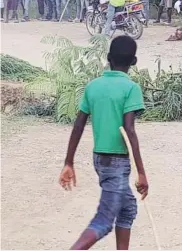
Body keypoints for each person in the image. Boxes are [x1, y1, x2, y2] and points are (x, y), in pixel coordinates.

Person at [58, 35, 148, 250]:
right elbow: (129, 130)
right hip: (117, 162)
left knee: (127, 210)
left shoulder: (93, 86)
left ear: (108, 58)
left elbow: (78, 126)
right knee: (104, 221)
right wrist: (142, 173)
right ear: (134, 62)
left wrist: (68, 162)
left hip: (100, 160)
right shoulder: (130, 88)